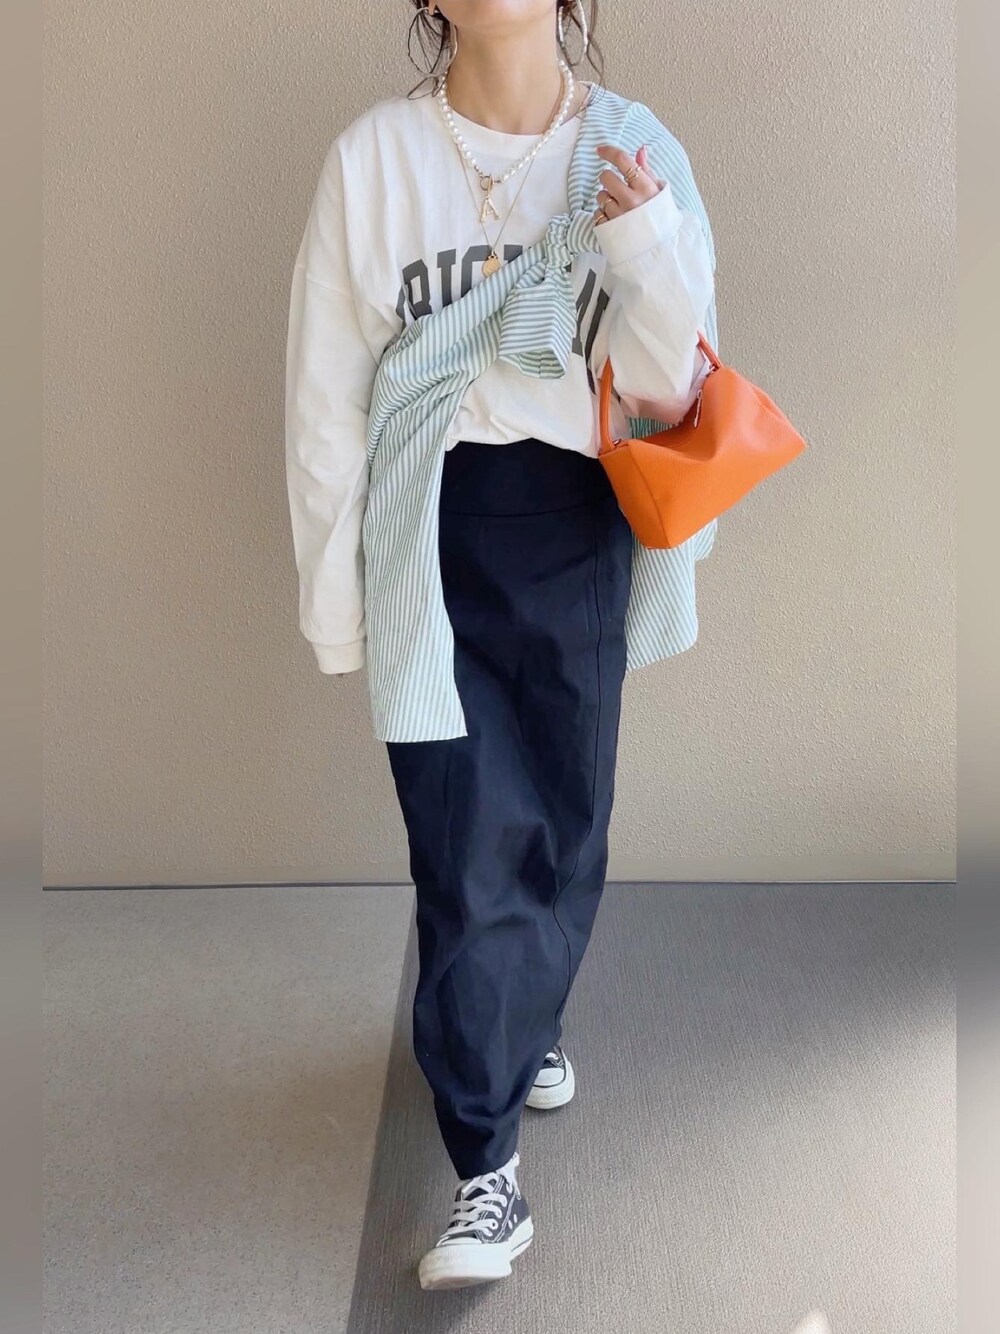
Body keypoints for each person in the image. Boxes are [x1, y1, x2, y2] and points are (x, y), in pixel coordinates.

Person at [284, 0, 718, 1292]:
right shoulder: (373, 161)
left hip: (579, 525)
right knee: (464, 837)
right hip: (428, 534)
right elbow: (324, 403)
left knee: (567, 820)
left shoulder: (634, 149)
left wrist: (642, 246)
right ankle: (488, 1166)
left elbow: (678, 387)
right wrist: (337, 602)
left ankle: (532, 1020)